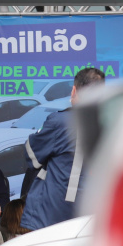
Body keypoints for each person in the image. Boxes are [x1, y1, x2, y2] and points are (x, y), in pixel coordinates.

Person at [21, 67, 105, 230]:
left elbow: (32, 156)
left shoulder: (60, 121)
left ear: (74, 90)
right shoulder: (112, 121)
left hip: (55, 214)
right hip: (94, 212)